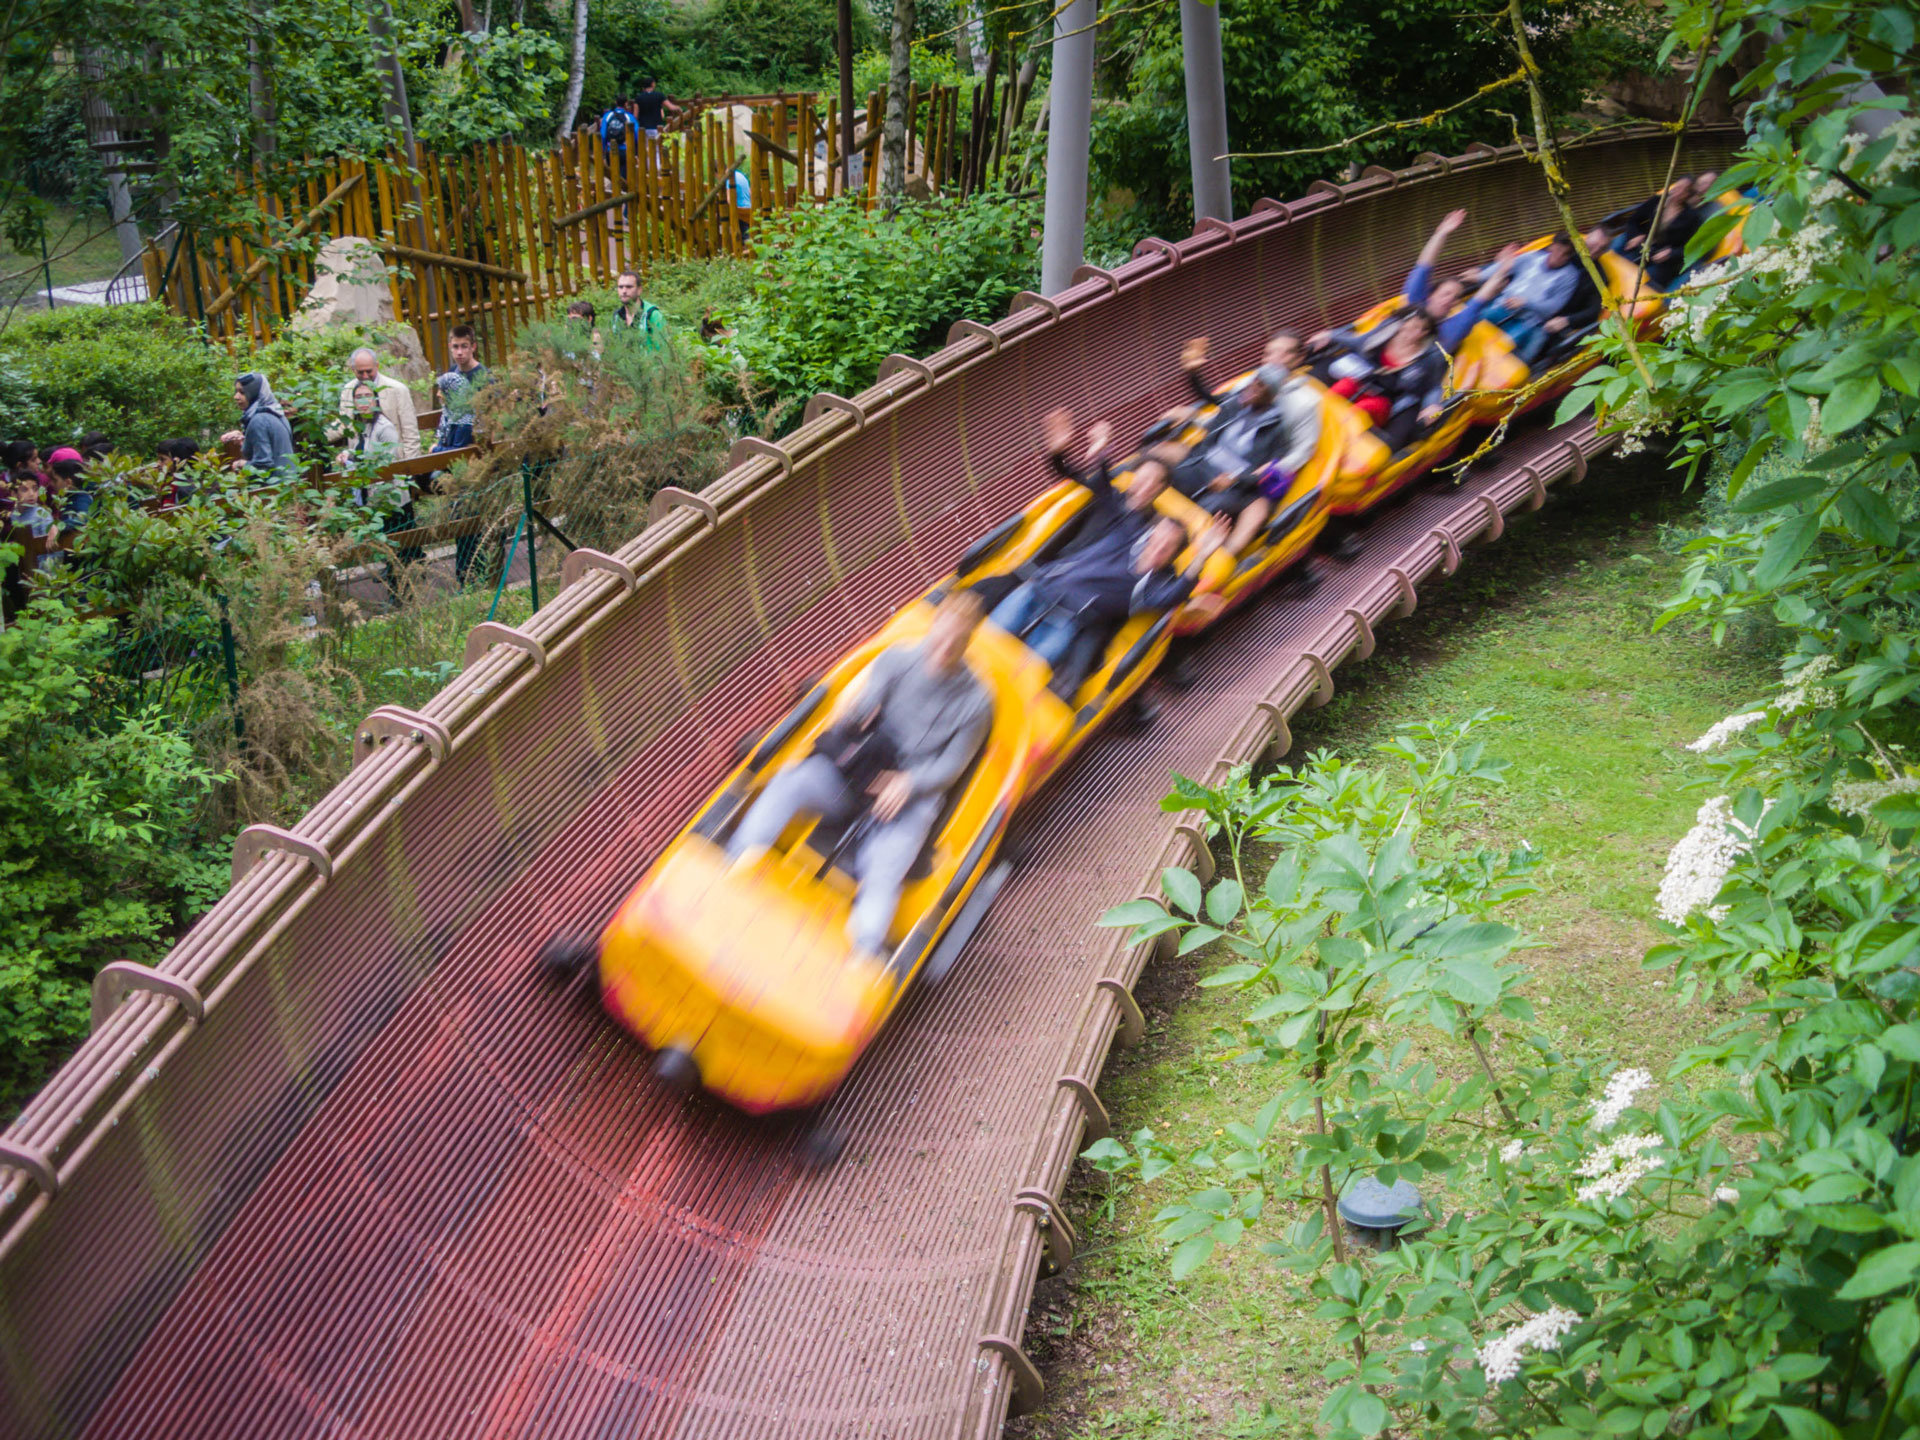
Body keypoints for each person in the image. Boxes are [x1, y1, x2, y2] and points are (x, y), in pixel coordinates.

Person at [725, 590, 993, 969]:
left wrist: (908, 783)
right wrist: (855, 712)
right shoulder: (899, 658)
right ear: (933, 627)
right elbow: (864, 707)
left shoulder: (977, 702)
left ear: (968, 642)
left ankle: (865, 949)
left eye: (956, 644)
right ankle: (738, 859)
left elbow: (952, 766)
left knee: (886, 866)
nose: (943, 650)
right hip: (861, 771)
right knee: (792, 781)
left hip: (909, 794)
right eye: (941, 638)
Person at [987, 510, 1229, 701]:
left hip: (1067, 620)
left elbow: (1174, 594)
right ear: (1150, 535)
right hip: (1038, 590)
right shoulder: (1124, 536)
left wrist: (1202, 555)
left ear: (1173, 554)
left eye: (1169, 546)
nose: (1160, 546)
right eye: (1159, 538)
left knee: (1023, 676)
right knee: (987, 641)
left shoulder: (1150, 588)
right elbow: (1112, 497)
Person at [1172, 338, 1311, 555]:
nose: (1252, 389)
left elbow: (1278, 464)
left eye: (1260, 387)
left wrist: (1238, 478)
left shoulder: (1286, 421)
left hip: (1240, 477)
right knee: (1167, 466)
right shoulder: (1241, 398)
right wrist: (1193, 374)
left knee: (1217, 504)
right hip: (1210, 461)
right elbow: (1214, 401)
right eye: (1270, 354)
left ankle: (1210, 554)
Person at [1318, 309, 1449, 450]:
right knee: (1342, 387)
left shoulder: (1428, 359)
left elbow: (1433, 386)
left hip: (1385, 399)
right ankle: (1317, 425)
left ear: (1424, 333)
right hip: (1364, 384)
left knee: (1360, 410)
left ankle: (1339, 442)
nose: (1409, 329)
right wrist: (1331, 335)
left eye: (1416, 328)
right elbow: (1358, 341)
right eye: (1408, 324)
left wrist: (1432, 405)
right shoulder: (1385, 334)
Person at [1480, 233, 1582, 363]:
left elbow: (1553, 307)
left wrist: (1525, 303)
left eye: (1564, 254)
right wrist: (1479, 275)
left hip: (1529, 321)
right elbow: (1504, 267)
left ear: (1568, 257)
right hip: (1504, 305)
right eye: (1557, 250)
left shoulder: (1570, 276)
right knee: (1480, 320)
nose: (1558, 256)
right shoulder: (1532, 257)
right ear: (1551, 247)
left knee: (1508, 342)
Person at [335, 348, 421, 460]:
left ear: (377, 366)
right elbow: (343, 424)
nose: (365, 376)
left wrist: (411, 467)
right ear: (353, 369)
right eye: (360, 372)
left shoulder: (397, 390)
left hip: (394, 458)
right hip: (360, 460)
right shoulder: (348, 390)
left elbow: (410, 433)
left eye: (369, 371)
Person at [228, 372, 297, 483]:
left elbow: (263, 466)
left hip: (273, 491)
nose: (236, 397)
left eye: (242, 392)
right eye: (236, 392)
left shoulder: (259, 420)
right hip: (290, 485)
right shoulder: (277, 413)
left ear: (253, 392)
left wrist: (240, 464)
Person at [434, 325, 491, 451]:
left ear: (473, 347)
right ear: (450, 347)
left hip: (476, 443)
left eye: (464, 346)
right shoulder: (452, 372)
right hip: (454, 437)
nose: (459, 352)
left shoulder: (485, 377)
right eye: (455, 346)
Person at [335, 381, 401, 471]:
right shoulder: (357, 425)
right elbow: (360, 449)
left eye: (368, 396)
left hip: (381, 481)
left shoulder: (385, 427)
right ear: (353, 402)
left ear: (376, 400)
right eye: (358, 397)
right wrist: (346, 454)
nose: (363, 401)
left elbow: (388, 465)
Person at [609, 270, 667, 346]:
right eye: (620, 287)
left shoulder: (652, 315)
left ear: (639, 290)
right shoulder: (617, 317)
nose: (624, 291)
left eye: (629, 287)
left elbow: (664, 351)